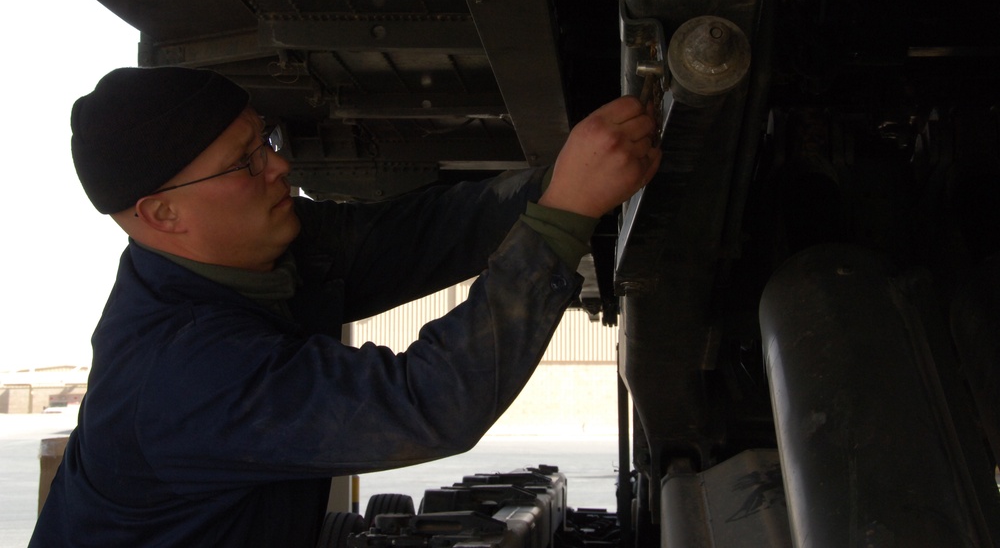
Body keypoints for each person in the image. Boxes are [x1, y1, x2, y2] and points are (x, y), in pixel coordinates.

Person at [30, 66, 661, 547]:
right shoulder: (180, 369)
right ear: (163, 214)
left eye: (265, 141)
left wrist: (565, 180)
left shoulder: (254, 255)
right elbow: (424, 403)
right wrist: (561, 218)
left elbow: (416, 236)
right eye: (245, 163)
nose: (280, 165)